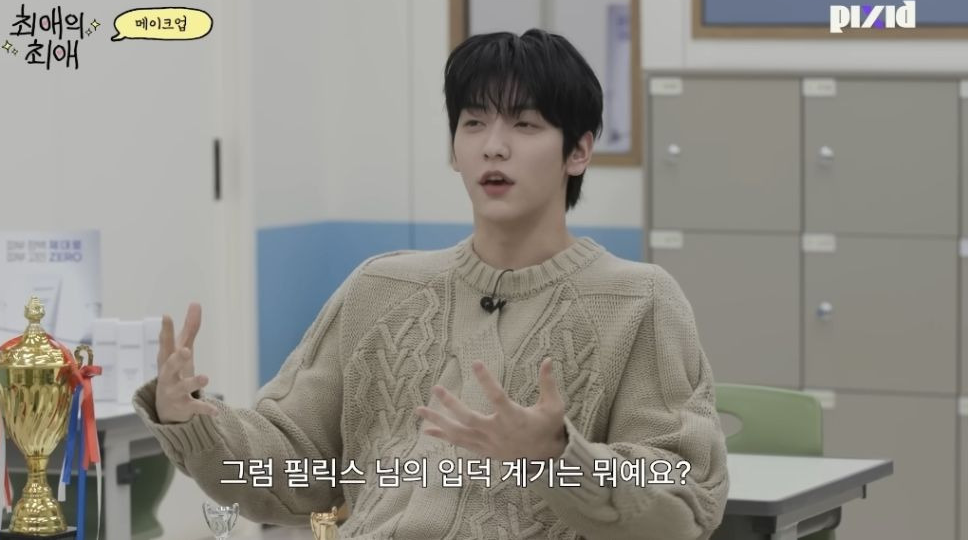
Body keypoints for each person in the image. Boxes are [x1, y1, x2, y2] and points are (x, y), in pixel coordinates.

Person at [133, 28, 729, 539]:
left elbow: (684, 505)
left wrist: (558, 457)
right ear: (454, 150)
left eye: (524, 124)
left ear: (578, 152)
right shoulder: (380, 287)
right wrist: (192, 421)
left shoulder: (639, 301)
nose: (494, 146)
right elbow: (295, 469)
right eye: (474, 123)